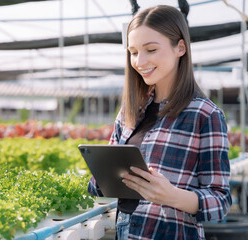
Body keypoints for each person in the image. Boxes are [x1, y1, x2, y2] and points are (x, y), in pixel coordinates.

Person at [88, 5, 231, 240]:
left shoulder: (204, 114)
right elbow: (102, 187)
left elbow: (220, 201)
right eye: (133, 52)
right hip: (125, 230)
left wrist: (172, 195)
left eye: (151, 50)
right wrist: (101, 173)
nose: (139, 61)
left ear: (180, 48)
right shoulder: (130, 110)